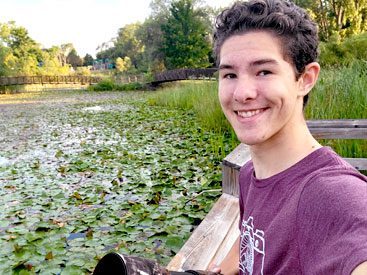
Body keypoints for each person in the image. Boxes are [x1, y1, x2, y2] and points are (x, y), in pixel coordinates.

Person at [209, 0, 367, 274]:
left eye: (264, 71)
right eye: (230, 74)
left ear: (305, 79)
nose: (241, 93)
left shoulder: (333, 195)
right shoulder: (249, 175)